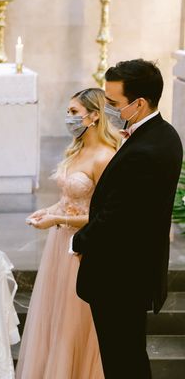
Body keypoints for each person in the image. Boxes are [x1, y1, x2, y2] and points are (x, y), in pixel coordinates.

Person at [72, 59, 183, 377]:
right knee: (126, 355)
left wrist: (80, 240)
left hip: (121, 274)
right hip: (132, 269)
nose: (107, 108)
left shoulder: (147, 149)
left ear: (139, 103)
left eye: (113, 103)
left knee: (122, 359)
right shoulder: (162, 135)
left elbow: (120, 216)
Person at [16, 88, 119, 379]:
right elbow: (69, 200)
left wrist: (57, 219)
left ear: (94, 115)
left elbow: (103, 216)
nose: (69, 118)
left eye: (74, 112)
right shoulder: (76, 149)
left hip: (84, 246)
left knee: (76, 319)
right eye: (69, 112)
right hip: (59, 243)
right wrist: (48, 211)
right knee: (55, 317)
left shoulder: (105, 157)